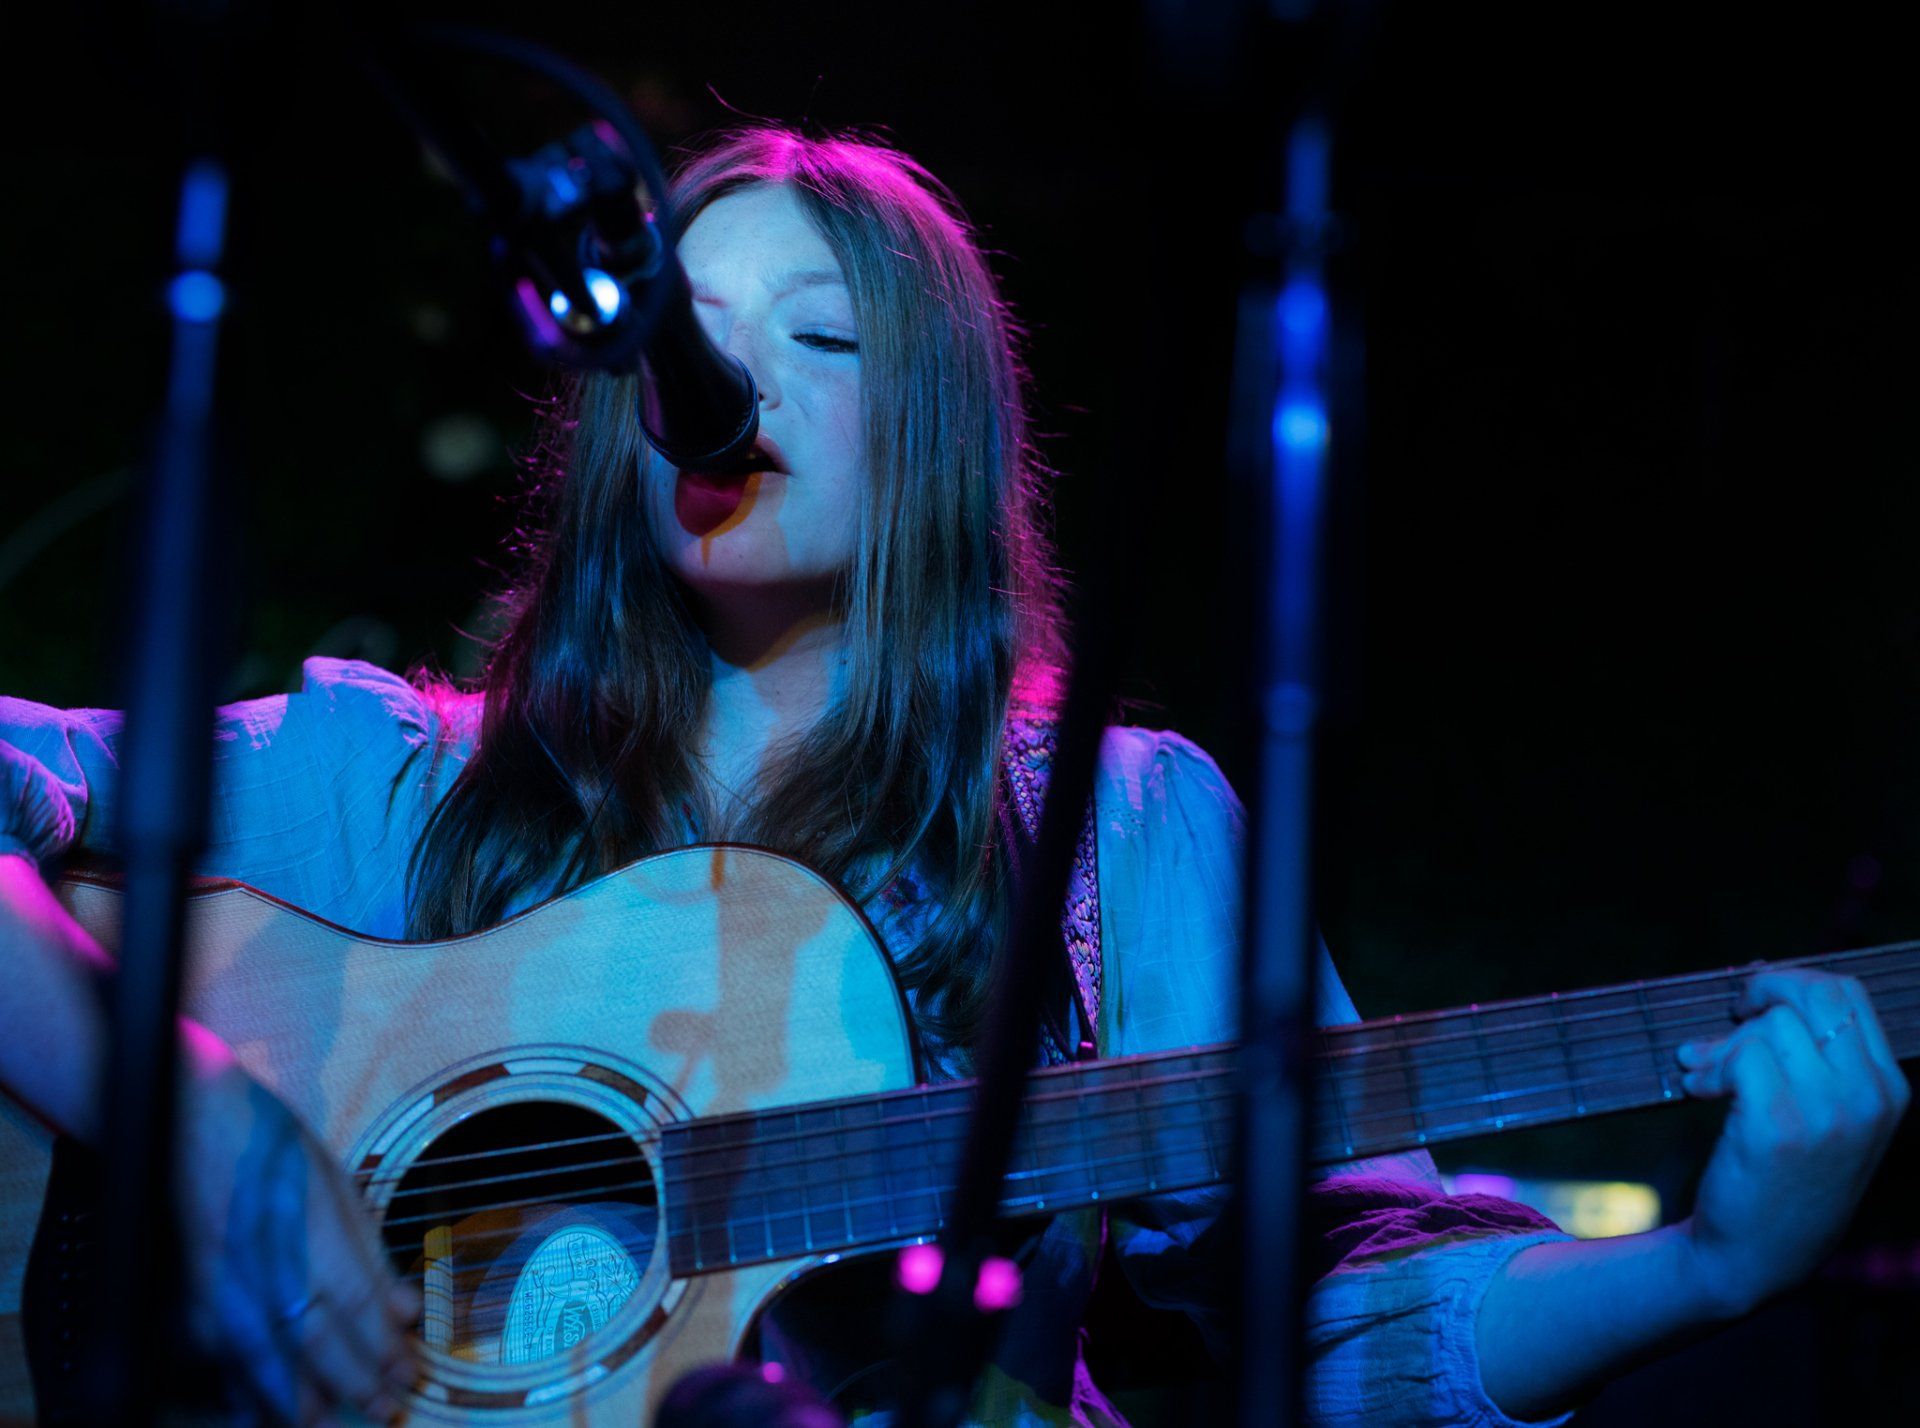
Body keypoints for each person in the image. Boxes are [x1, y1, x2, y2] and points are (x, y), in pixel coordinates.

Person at [0, 126, 1907, 1427]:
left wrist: (1719, 1261)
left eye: (817, 337)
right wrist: (194, 1119)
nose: (718, 370)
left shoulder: (1119, 835)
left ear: (935, 438)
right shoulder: (385, 785)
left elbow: (1345, 1308)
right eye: (686, 327)